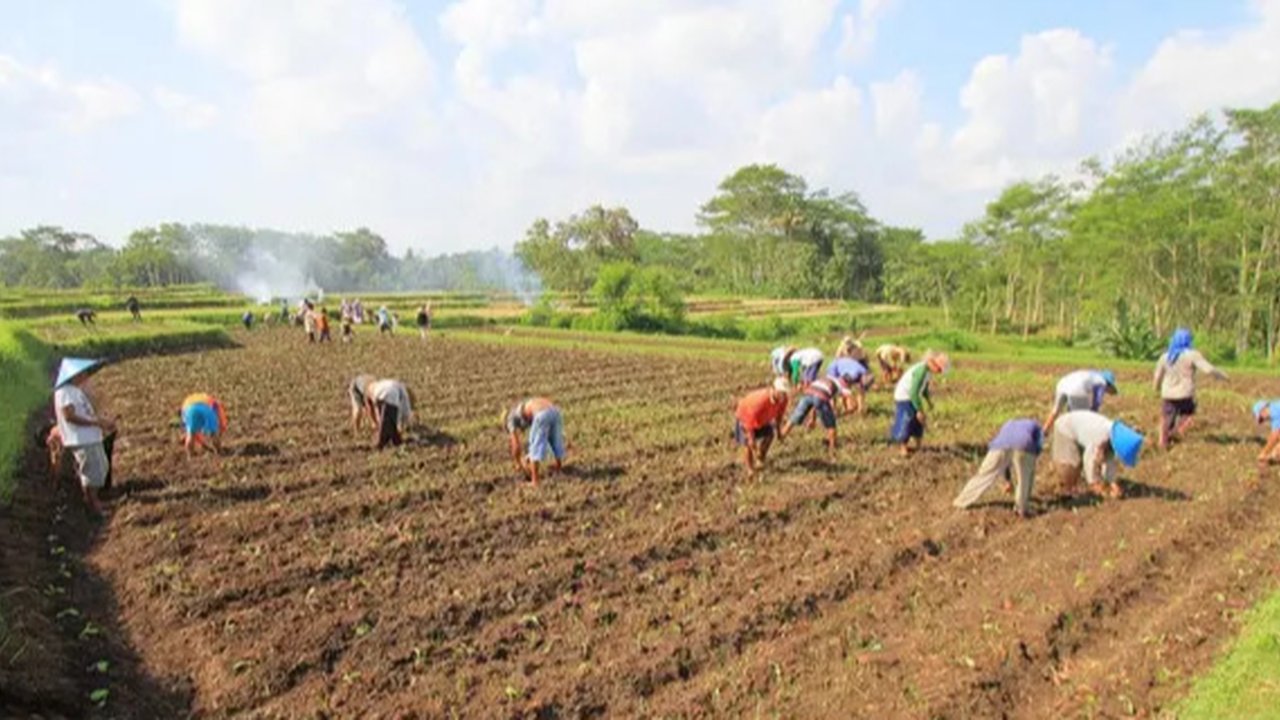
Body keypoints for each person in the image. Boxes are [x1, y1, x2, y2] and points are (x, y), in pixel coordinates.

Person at [53, 358, 115, 517]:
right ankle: (93, 505)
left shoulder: (74, 391)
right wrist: (96, 422)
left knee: (100, 469)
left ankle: (93, 501)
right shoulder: (65, 392)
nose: (86, 375)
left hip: (89, 437)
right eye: (83, 373)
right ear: (74, 375)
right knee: (92, 473)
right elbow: (69, 416)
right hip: (81, 439)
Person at [1153, 328, 1227, 449]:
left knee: (1166, 418)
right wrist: (1221, 375)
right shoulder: (1192, 355)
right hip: (1185, 393)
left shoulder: (1165, 356)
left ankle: (1163, 441)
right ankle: (1178, 431)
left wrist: (1156, 388)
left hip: (1167, 393)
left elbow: (1157, 376)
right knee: (1188, 414)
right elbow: (1208, 369)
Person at [953, 418, 1043, 518]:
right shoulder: (1038, 428)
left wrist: (1007, 481)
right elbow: (1037, 449)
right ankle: (1021, 509)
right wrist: (1028, 464)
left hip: (1000, 445)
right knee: (1024, 479)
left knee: (983, 475)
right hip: (1024, 444)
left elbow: (1005, 461)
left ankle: (961, 501)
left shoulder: (1009, 424)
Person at [1051, 410, 1143, 499]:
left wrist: (1114, 485)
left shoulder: (1113, 438)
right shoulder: (1100, 437)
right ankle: (1066, 491)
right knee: (1072, 464)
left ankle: (1072, 488)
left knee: (1078, 464)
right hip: (1065, 428)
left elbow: (1110, 463)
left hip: (1079, 431)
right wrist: (1097, 486)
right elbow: (1089, 461)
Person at [891, 351, 950, 456]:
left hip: (912, 396)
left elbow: (923, 388)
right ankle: (903, 447)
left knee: (918, 422)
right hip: (904, 396)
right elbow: (913, 392)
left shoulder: (928, 372)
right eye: (939, 369)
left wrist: (928, 401)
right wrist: (919, 410)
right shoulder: (921, 370)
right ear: (933, 363)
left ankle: (918, 445)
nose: (939, 372)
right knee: (907, 420)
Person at [734, 377, 791, 477]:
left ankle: (761, 457)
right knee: (748, 444)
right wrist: (751, 439)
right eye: (781, 393)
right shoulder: (759, 401)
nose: (783, 396)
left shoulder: (783, 400)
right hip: (745, 416)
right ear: (774, 389)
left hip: (763, 418)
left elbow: (779, 416)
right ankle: (750, 470)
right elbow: (748, 421)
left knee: (770, 435)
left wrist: (779, 432)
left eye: (785, 393)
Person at [505, 397, 567, 486]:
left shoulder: (510, 420)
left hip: (542, 413)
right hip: (555, 411)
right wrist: (528, 457)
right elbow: (543, 436)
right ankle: (558, 466)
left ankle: (535, 481)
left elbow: (516, 445)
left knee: (535, 445)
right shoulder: (523, 408)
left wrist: (518, 462)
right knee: (555, 440)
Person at [781, 376, 842, 457]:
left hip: (807, 394)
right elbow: (827, 401)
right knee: (831, 425)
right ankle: (832, 451)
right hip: (821, 396)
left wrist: (812, 419)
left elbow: (814, 401)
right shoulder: (838, 387)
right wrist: (834, 413)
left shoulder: (823, 379)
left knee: (793, 419)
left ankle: (781, 437)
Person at [1042, 369, 1118, 433]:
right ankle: (1074, 438)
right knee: (1080, 417)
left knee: (1055, 411)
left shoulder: (1091, 375)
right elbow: (1097, 402)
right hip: (1077, 388)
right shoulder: (1102, 382)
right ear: (1109, 384)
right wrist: (1092, 415)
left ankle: (1044, 431)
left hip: (1062, 384)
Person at [367, 378, 413, 449]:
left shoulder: (396, 384)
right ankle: (380, 444)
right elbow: (405, 413)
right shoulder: (403, 394)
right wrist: (404, 425)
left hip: (377, 393)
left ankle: (396, 440)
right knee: (387, 420)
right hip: (388, 394)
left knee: (388, 420)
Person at [181, 393, 226, 457]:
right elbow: (220, 414)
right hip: (206, 408)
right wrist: (222, 426)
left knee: (191, 434)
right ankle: (219, 451)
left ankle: (190, 454)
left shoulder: (185, 404)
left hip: (190, 409)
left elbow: (186, 422)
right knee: (213, 433)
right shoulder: (213, 401)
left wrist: (201, 443)